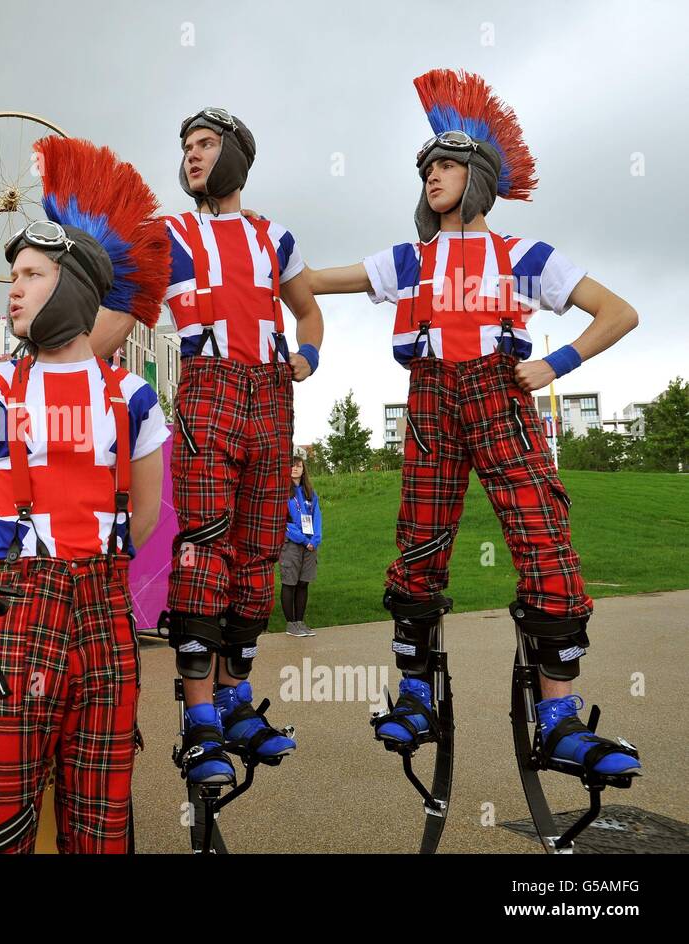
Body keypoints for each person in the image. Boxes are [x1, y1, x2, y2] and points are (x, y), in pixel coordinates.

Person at [302, 70, 641, 775]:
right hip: (430, 404)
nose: (432, 174)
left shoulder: (522, 257)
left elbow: (619, 312)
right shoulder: (411, 259)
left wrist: (558, 363)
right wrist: (252, 263)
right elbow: (307, 284)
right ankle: (416, 694)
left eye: (447, 164)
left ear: (477, 176)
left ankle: (559, 719)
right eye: (426, 165)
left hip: (502, 400)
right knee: (419, 547)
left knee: (544, 540)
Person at [0, 137, 168, 853]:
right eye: (13, 272)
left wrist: (93, 573)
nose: (12, 287)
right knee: (1, 826)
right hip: (14, 614)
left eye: (32, 274)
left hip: (105, 617)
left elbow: (148, 512)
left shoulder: (133, 396)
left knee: (99, 827)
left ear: (71, 286)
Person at [159, 107, 324, 786]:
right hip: (208, 387)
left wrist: (308, 354)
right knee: (205, 547)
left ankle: (234, 702)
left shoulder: (272, 236)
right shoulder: (168, 234)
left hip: (270, 395)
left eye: (204, 144)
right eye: (186, 146)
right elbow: (119, 309)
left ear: (233, 155)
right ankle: (199, 721)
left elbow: (308, 308)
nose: (192, 155)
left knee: (259, 555)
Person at [281, 454, 321, 638]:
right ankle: (290, 624)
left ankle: (300, 621)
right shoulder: (282, 492)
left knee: (303, 583)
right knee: (290, 582)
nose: (295, 468)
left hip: (310, 544)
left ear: (303, 469)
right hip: (292, 544)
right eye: (292, 465)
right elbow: (284, 522)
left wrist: (314, 539)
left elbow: (317, 518)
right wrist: (303, 540)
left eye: (299, 465)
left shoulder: (310, 493)